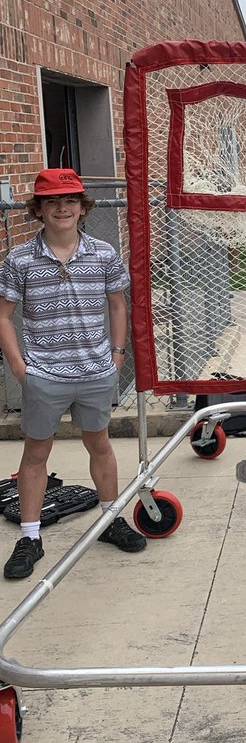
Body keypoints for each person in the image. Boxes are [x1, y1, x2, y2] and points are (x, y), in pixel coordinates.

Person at [0, 169, 147, 580]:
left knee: (99, 444)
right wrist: (19, 366)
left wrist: (117, 355)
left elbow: (118, 305)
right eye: (51, 201)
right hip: (44, 373)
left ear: (83, 208)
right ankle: (30, 536)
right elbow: (4, 316)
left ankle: (110, 519)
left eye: (69, 200)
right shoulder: (20, 259)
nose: (61, 208)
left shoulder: (102, 253)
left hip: (96, 370)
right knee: (36, 453)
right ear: (38, 210)